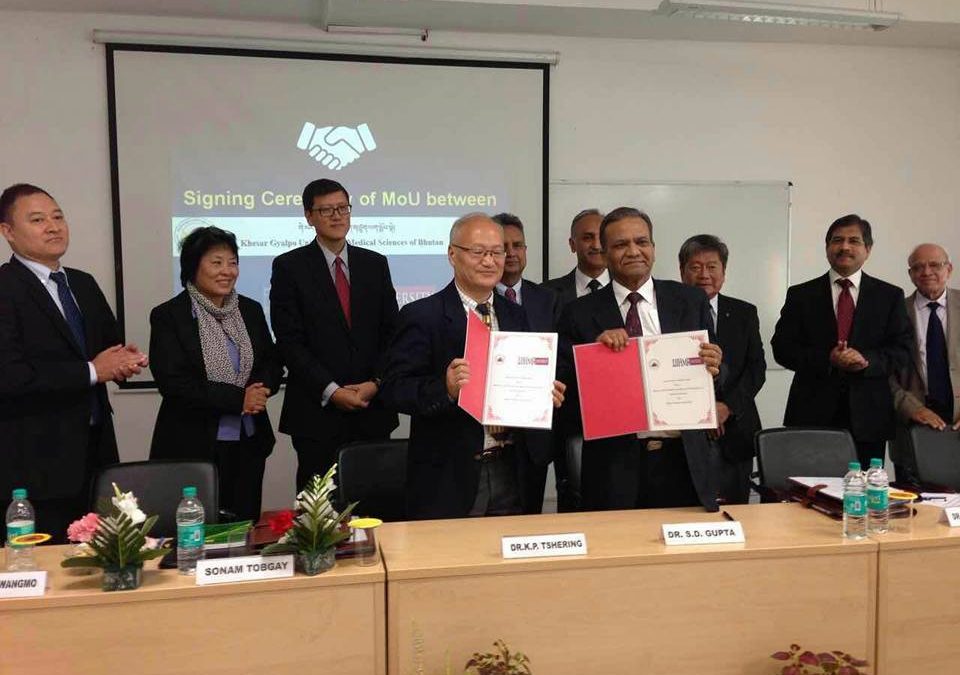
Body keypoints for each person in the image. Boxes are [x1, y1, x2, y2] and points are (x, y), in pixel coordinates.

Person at [380, 213, 565, 520]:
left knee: (512, 565)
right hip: (451, 474)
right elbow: (394, 389)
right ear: (452, 254)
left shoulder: (518, 315)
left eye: (497, 252)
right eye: (478, 252)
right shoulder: (422, 315)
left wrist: (546, 391)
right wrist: (446, 388)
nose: (489, 261)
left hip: (514, 467)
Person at [0, 183, 147, 541]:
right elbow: (10, 376)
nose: (53, 226)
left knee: (102, 561)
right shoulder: (5, 288)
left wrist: (124, 361)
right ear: (8, 232)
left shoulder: (82, 283)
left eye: (58, 216)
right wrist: (95, 370)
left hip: (95, 452)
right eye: (38, 220)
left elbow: (104, 351)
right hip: (36, 462)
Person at [558, 207, 723, 512]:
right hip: (614, 466)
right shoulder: (578, 313)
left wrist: (715, 365)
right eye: (621, 245)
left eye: (642, 242)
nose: (634, 251)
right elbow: (565, 398)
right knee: (618, 554)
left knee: (685, 555)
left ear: (654, 248)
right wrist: (596, 361)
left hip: (684, 461)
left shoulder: (690, 300)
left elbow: (716, 379)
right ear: (605, 253)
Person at [270, 179, 399, 491]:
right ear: (309, 216)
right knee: (319, 513)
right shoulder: (290, 267)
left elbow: (392, 333)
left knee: (375, 503)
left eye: (342, 208)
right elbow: (289, 341)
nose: (337, 216)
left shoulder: (375, 264)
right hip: (317, 412)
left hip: (372, 410)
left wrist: (375, 383)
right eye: (326, 210)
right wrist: (331, 390)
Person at [149, 227, 283, 522]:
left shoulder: (250, 309)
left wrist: (263, 389)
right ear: (193, 266)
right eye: (216, 262)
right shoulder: (169, 316)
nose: (227, 271)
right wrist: (240, 399)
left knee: (243, 525)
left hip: (249, 441)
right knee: (197, 530)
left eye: (232, 262)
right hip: (193, 444)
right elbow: (174, 383)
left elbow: (271, 360)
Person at [772, 214, 912, 468]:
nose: (845, 247)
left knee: (866, 497)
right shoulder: (801, 295)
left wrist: (866, 361)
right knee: (809, 493)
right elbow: (782, 348)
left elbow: (902, 351)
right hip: (811, 414)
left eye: (854, 241)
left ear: (867, 249)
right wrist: (828, 358)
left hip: (870, 417)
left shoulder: (889, 296)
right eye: (837, 240)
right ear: (827, 248)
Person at [679, 234, 766, 504]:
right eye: (695, 267)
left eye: (712, 266)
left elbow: (756, 369)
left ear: (724, 272)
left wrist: (725, 407)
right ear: (682, 272)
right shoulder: (669, 313)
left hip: (736, 429)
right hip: (683, 434)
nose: (704, 274)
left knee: (737, 511)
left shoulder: (744, 312)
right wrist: (702, 412)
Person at [491, 212, 560, 513]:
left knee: (529, 521)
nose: (511, 253)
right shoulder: (473, 302)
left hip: (533, 438)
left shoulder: (549, 299)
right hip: (486, 438)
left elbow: (561, 358)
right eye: (503, 246)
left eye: (518, 245)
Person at [890, 243, 960, 483]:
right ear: (910, 274)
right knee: (914, 512)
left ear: (949, 269)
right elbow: (883, 373)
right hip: (912, 427)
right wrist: (912, 408)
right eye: (918, 267)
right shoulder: (894, 311)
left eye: (934, 265)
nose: (926, 272)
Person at [543, 208, 609, 306]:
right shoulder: (546, 293)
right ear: (572, 245)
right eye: (587, 238)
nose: (596, 245)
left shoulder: (628, 288)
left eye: (601, 237)